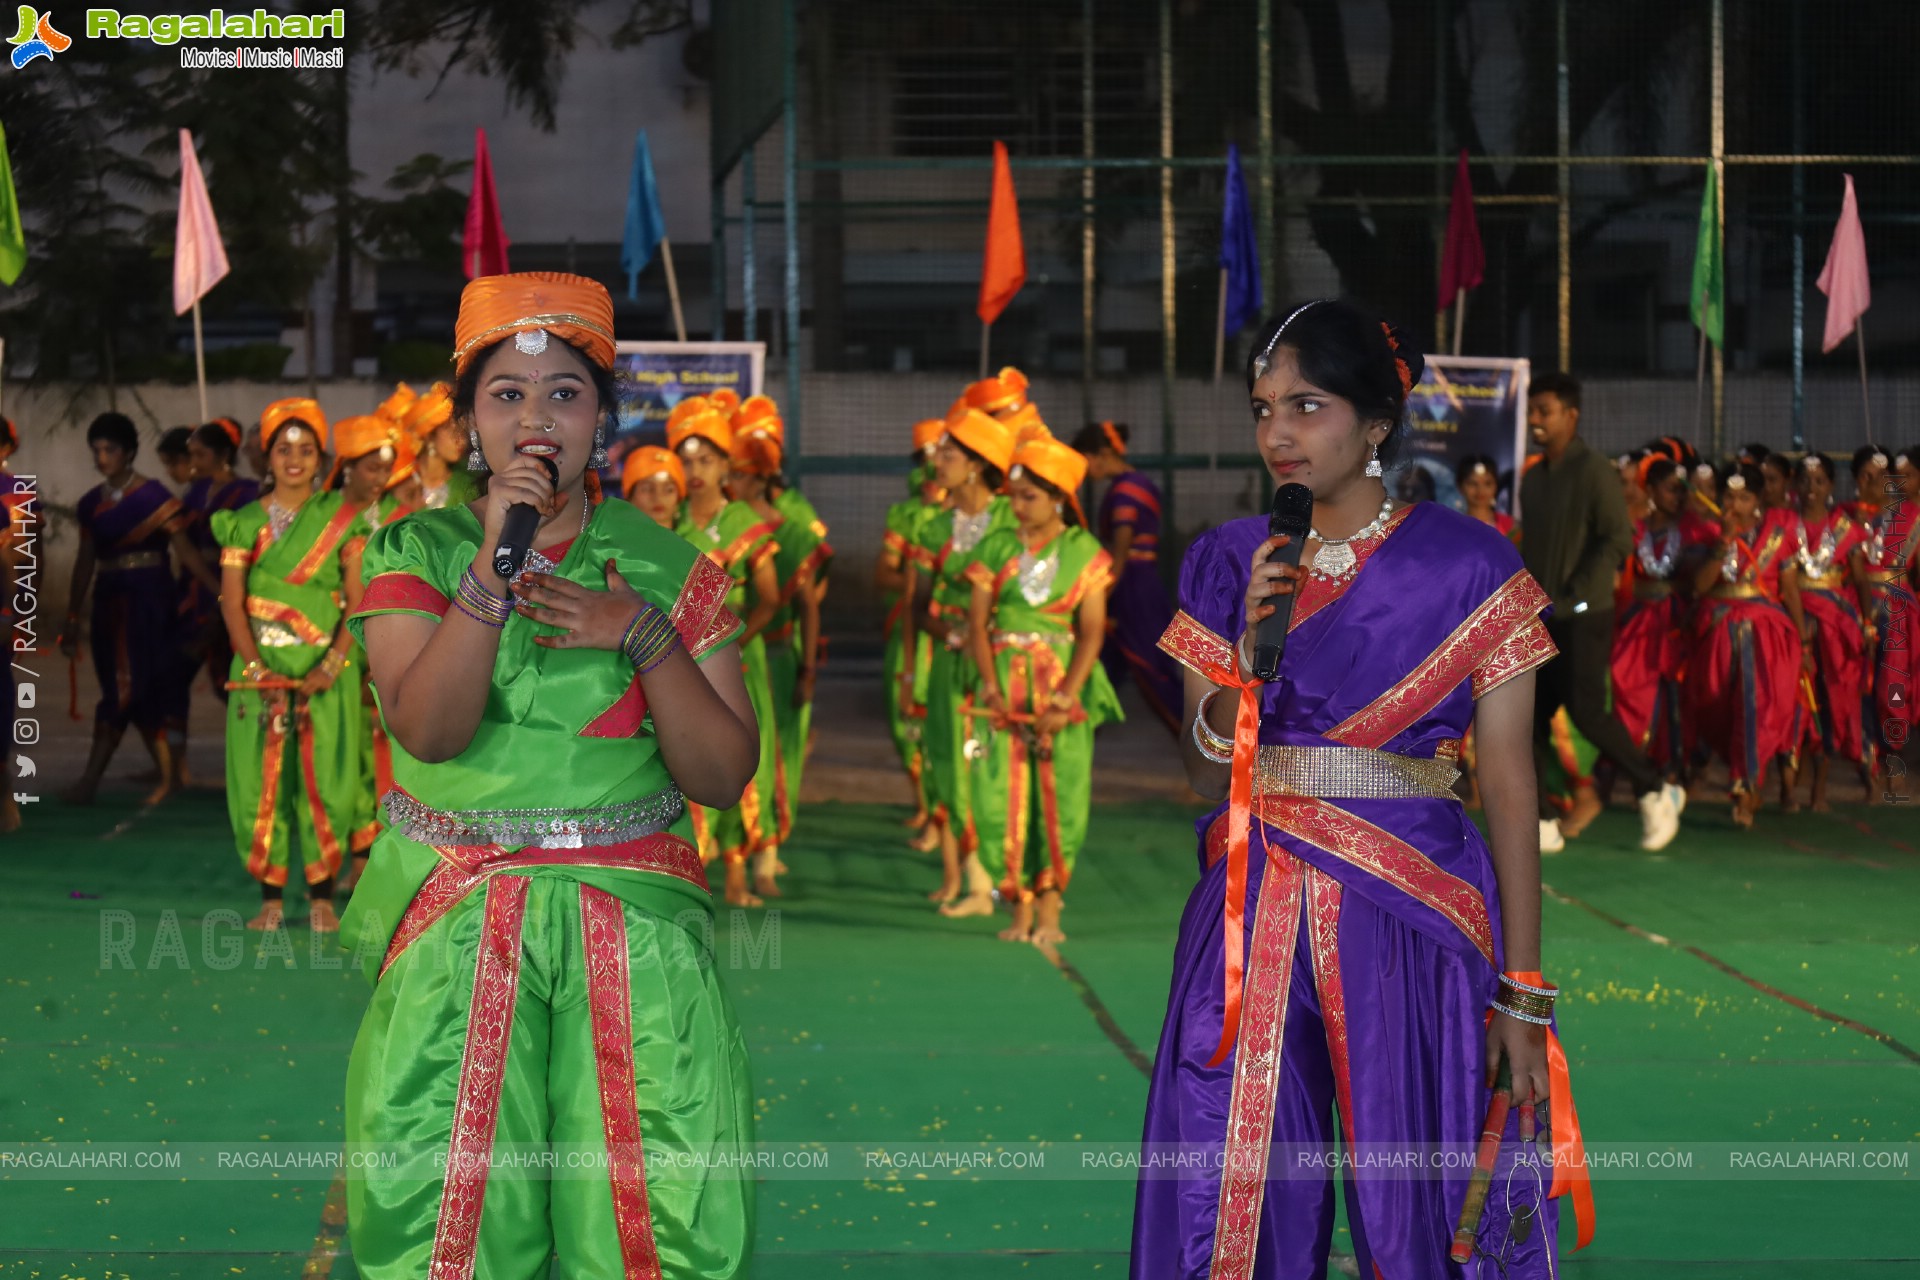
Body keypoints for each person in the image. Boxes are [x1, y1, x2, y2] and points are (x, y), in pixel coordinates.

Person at [1133, 299, 1589, 1279]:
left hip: (1411, 916)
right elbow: (1204, 772)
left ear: (1377, 421)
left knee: (1418, 1203)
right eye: (1264, 409)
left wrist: (1524, 991)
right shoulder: (1230, 558)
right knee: (1233, 1188)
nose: (1279, 434)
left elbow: (1510, 781)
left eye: (1308, 405)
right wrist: (1241, 668)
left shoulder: (1471, 565)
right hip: (1248, 912)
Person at [341, 271, 758, 1278]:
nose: (536, 418)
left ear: (602, 420)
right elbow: (428, 730)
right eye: (508, 394)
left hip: (635, 925)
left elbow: (721, 773)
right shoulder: (414, 551)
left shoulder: (667, 567)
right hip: (458, 921)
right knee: (457, 1209)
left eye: (566, 393)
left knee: (644, 1207)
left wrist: (646, 636)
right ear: (467, 425)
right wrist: (491, 572)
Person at [212, 399, 367, 931]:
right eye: (283, 449)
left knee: (328, 784)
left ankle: (322, 898)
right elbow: (232, 603)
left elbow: (358, 601)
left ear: (321, 460)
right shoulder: (242, 524)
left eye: (305, 450)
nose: (294, 460)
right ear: (267, 457)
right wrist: (257, 671)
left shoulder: (344, 522)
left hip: (326, 675)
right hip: (260, 677)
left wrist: (334, 663)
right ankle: (271, 901)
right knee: (260, 788)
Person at [959, 436, 1120, 941]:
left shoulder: (1083, 552)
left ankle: (1050, 906)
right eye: (1013, 496)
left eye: (1029, 496)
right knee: (1000, 795)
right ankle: (1019, 906)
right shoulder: (997, 547)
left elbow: (1091, 632)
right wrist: (989, 686)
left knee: (1060, 795)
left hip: (1060, 689)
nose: (1017, 505)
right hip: (1003, 687)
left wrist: (1066, 697)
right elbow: (977, 624)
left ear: (1057, 498)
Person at [1519, 372, 1684, 852]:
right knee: (1526, 720)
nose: (1535, 420)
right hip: (1542, 618)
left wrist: (1576, 595)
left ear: (1571, 415)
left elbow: (1617, 538)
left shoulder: (1594, 470)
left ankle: (1654, 788)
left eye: (1545, 411)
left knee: (1587, 713)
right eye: (1532, 410)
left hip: (1585, 615)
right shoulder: (1534, 478)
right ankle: (1542, 821)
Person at [61, 413, 206, 805]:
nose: (102, 457)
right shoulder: (91, 503)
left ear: (128, 453)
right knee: (125, 686)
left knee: (129, 687)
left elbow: (186, 553)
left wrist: (219, 592)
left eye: (109, 449)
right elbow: (84, 561)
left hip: (150, 602)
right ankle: (169, 775)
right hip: (108, 602)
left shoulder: (155, 498)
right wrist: (72, 616)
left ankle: (91, 781)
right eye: (96, 450)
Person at [670, 400, 783, 905]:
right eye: (687, 461)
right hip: (674, 663)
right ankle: (689, 869)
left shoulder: (740, 520)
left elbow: (770, 598)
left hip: (734, 662)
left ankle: (738, 873)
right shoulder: (669, 519)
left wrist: (730, 643)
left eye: (706, 461)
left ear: (725, 466)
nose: (696, 471)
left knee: (738, 756)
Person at [913, 407, 1018, 909]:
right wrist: (952, 633)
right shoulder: (934, 528)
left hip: (1004, 663)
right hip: (951, 662)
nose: (938, 460)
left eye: (949, 453)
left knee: (998, 767)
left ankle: (1008, 878)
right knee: (950, 765)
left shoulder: (1014, 519)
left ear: (977, 464)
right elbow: (918, 608)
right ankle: (963, 878)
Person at [1685, 464, 1807, 828]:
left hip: (1767, 636)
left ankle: (1746, 787)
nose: (1735, 504)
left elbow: (1790, 591)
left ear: (1758, 499)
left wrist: (1804, 646)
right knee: (1721, 708)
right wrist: (1723, 541)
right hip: (1720, 633)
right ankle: (1739, 778)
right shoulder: (1709, 533)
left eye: (1744, 497)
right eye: (1729, 496)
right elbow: (1700, 586)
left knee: (1757, 707)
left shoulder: (1778, 534)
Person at [1074, 420, 1183, 735]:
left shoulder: (1124, 492)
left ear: (1101, 454)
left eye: (1084, 460)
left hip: (1131, 587)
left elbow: (1120, 553)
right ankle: (1080, 727)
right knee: (1105, 661)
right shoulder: (1139, 484)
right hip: (1139, 581)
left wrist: (1102, 594)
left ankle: (1198, 741)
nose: (1084, 471)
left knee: (1153, 670)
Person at [1610, 457, 1716, 781]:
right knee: (1628, 685)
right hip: (1638, 622)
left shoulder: (1695, 530)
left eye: (1683, 490)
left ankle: (1674, 766)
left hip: (1677, 621)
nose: (1679, 497)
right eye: (1671, 489)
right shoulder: (1635, 528)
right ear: (1652, 490)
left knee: (1677, 692)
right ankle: (1632, 765)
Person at [329, 415, 401, 887]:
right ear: (347, 467)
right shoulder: (322, 518)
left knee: (385, 752)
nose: (380, 478)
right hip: (333, 645)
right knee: (346, 752)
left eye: (385, 469)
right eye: (371, 467)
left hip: (389, 643)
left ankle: (382, 856)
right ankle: (353, 854)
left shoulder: (401, 516)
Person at [1783, 454, 1875, 810]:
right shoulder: (1785, 526)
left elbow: (1861, 579)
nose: (1811, 488)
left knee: (1831, 702)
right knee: (1793, 700)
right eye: (1805, 481)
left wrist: (1867, 624)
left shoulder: (1844, 528)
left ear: (1831, 486)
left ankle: (1821, 789)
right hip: (1793, 621)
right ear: (1796, 485)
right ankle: (1788, 787)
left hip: (1835, 628)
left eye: (1819, 481)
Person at [876, 419, 948, 841]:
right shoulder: (904, 515)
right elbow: (882, 573)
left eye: (942, 455)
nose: (933, 466)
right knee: (904, 718)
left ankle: (944, 817)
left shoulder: (965, 519)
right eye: (926, 457)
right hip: (908, 629)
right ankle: (925, 804)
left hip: (948, 634)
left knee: (942, 722)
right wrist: (916, 582)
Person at [1457, 453, 1518, 542]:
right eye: (1473, 484)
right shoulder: (1453, 527)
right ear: (1460, 487)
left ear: (1496, 486)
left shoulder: (1510, 527)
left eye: (1487, 484)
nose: (1480, 490)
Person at [621, 443, 686, 526]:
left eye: (669, 490)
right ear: (630, 498)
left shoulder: (695, 535)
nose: (658, 497)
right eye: (647, 489)